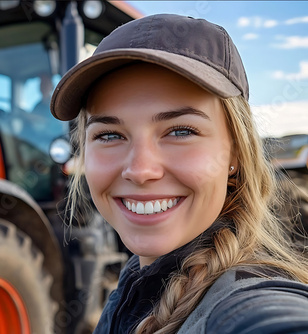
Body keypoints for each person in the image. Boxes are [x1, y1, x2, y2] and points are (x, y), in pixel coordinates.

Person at [50, 14, 308, 333]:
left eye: (181, 131)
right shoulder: (135, 286)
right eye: (109, 135)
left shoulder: (248, 303)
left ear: (236, 154)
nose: (140, 170)